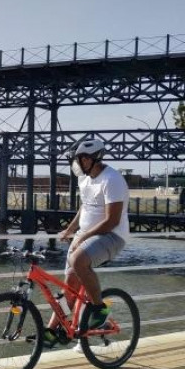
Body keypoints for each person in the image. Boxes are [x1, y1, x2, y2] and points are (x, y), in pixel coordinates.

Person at [41, 137, 130, 346]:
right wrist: (71, 230)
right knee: (69, 286)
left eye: (80, 158)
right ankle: (52, 331)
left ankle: (99, 308)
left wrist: (84, 236)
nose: (77, 163)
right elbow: (86, 206)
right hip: (86, 234)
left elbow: (112, 220)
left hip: (112, 236)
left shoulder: (112, 179)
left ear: (94, 158)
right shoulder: (85, 179)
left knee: (79, 260)